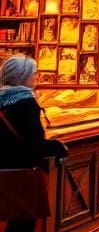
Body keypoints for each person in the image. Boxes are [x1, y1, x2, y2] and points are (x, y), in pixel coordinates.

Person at [0, 55, 68, 232]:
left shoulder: (3, 99)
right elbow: (35, 143)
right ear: (22, 77)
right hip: (22, 173)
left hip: (4, 169)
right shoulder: (26, 103)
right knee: (22, 222)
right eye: (33, 74)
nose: (35, 78)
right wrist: (58, 146)